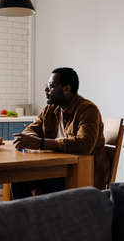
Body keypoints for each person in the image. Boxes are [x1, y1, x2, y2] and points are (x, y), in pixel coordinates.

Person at [11, 67, 110, 199]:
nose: (46, 90)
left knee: (46, 187)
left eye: (51, 86)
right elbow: (31, 129)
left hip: (81, 172)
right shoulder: (51, 108)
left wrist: (40, 143)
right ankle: (33, 217)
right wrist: (33, 139)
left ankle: (43, 216)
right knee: (18, 181)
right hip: (56, 169)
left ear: (66, 89)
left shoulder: (87, 110)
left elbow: (84, 145)